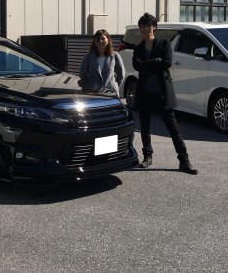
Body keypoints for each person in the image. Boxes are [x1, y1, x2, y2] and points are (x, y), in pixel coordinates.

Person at [132, 12, 198, 174]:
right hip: (145, 94)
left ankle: (184, 160)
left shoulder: (164, 44)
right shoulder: (138, 48)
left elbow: (167, 62)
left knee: (173, 128)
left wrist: (148, 64)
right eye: (143, 26)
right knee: (145, 127)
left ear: (154, 27)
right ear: (140, 28)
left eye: (148, 25)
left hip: (162, 93)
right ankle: (147, 157)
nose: (146, 28)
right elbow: (137, 66)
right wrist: (156, 62)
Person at [79, 29, 125, 96]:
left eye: (103, 38)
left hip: (110, 93)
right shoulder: (89, 56)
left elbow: (121, 75)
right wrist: (87, 88)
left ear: (108, 40)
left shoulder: (115, 55)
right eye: (98, 39)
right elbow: (82, 74)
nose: (100, 41)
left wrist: (114, 86)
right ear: (94, 41)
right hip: (92, 93)